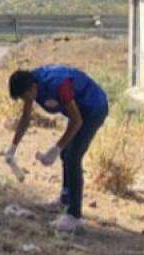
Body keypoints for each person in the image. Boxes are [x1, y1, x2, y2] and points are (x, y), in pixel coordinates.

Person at [6, 66, 109, 232]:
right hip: (78, 111)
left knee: (73, 157)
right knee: (66, 154)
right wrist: (13, 146)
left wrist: (55, 149)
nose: (27, 101)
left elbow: (77, 121)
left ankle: (74, 216)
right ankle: (65, 199)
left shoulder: (59, 85)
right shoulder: (31, 85)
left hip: (93, 109)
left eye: (26, 97)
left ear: (32, 88)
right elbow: (26, 118)